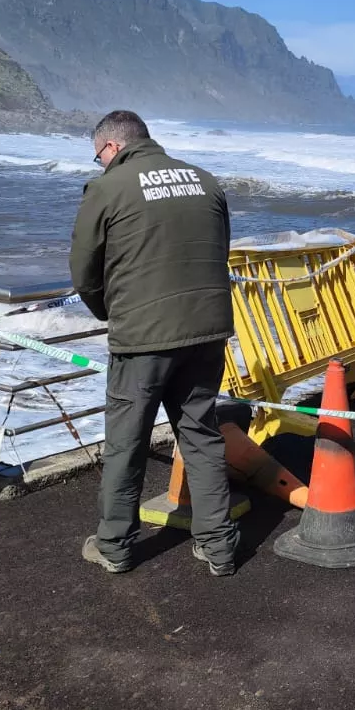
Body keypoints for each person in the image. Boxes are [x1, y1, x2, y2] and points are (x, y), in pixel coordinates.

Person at [69, 110, 238, 575]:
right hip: (207, 330)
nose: (99, 163)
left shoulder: (107, 188)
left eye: (98, 155)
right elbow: (217, 250)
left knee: (127, 443)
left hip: (143, 335)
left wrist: (109, 311)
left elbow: (84, 269)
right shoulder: (205, 181)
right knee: (201, 436)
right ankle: (219, 547)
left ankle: (115, 547)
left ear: (110, 148)